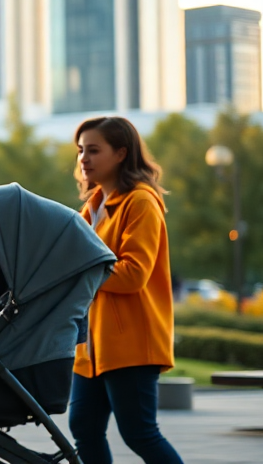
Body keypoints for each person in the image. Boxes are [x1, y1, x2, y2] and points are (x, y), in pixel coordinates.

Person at [68, 116, 184, 464]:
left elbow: (133, 274)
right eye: (80, 150)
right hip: (91, 346)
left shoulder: (140, 202)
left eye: (93, 150)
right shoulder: (91, 208)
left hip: (130, 341)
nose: (84, 159)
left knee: (139, 433)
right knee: (84, 428)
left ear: (121, 153)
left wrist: (78, 271)